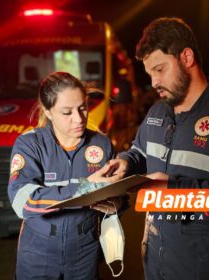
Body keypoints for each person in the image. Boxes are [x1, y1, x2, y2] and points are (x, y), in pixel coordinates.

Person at [92, 17, 209, 280]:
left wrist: (175, 193)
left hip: (203, 266)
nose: (153, 82)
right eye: (150, 73)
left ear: (186, 58)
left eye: (160, 69)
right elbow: (140, 152)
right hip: (154, 260)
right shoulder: (156, 112)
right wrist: (127, 163)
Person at [7, 71, 123, 280]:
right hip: (38, 252)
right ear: (48, 112)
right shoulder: (29, 145)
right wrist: (84, 189)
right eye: (67, 112)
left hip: (84, 251)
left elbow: (119, 198)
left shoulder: (102, 145)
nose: (79, 119)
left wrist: (117, 203)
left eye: (82, 108)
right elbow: (22, 202)